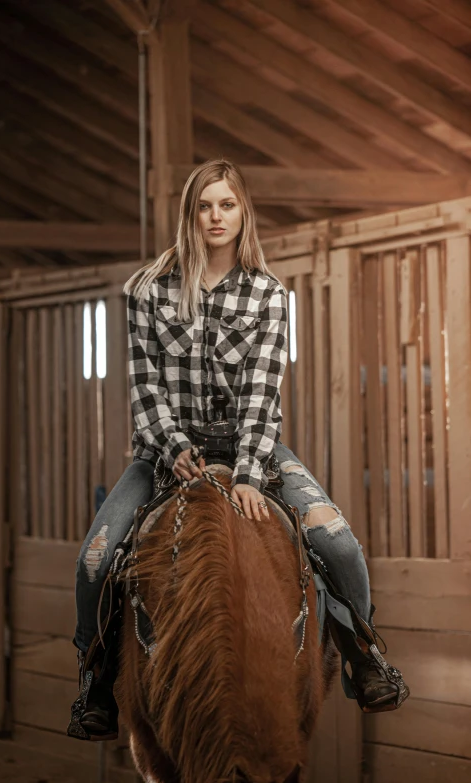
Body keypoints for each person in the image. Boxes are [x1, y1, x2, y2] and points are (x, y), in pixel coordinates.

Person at [67, 159, 409, 741]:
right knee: (95, 559)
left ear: (243, 211)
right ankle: (96, 683)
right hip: (163, 454)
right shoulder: (147, 290)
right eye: (205, 205)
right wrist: (173, 447)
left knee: (341, 546)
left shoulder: (269, 296)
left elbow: (262, 393)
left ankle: (364, 659)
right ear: (189, 214)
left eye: (226, 204)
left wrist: (250, 474)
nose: (215, 216)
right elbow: (144, 388)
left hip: (254, 449)